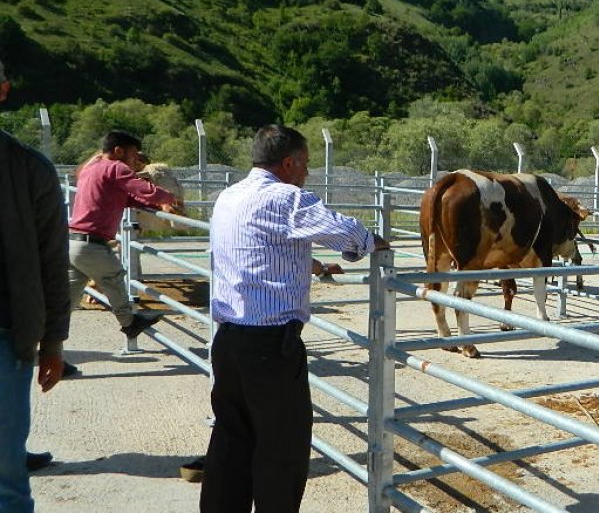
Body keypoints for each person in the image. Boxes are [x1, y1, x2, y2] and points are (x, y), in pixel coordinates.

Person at [201, 124, 388, 513]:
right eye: (305, 164)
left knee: (231, 440)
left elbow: (256, 250)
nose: (307, 173)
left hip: (229, 340)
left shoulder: (229, 196)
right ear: (289, 162)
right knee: (281, 448)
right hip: (270, 344)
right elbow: (344, 232)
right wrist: (374, 242)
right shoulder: (286, 199)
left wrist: (312, 265)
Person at [0, 57, 71, 512]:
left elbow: (52, 263)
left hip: (6, 341)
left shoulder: (29, 170)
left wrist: (54, 341)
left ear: (3, 91)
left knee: (7, 480)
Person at [65, 130, 180, 373]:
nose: (135, 161)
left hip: (73, 243)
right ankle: (129, 323)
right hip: (92, 244)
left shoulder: (91, 169)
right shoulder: (115, 168)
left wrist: (149, 203)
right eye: (133, 155)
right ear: (119, 151)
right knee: (114, 276)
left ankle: (49, 352)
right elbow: (142, 188)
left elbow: (124, 198)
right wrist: (169, 197)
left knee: (65, 303)